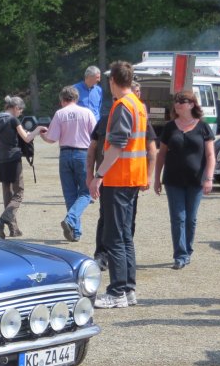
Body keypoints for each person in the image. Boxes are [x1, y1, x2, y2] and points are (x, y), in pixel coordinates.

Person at [89, 61, 148, 309]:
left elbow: (118, 145)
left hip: (118, 179)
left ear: (113, 81)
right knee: (124, 236)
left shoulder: (123, 105)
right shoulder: (138, 104)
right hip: (131, 178)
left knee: (114, 237)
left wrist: (98, 175)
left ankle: (117, 292)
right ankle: (128, 289)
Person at [87, 82, 157, 271]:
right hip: (113, 179)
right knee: (109, 224)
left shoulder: (133, 113)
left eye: (138, 92)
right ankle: (102, 257)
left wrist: (147, 176)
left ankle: (120, 288)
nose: (136, 95)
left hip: (122, 179)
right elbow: (93, 149)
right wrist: (91, 175)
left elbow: (150, 150)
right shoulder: (105, 119)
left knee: (120, 234)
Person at [153, 90, 215, 270]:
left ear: (192, 104)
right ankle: (180, 255)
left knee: (191, 218)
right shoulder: (170, 127)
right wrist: (157, 178)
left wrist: (209, 178)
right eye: (176, 101)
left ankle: (188, 250)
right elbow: (161, 155)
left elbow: (211, 155)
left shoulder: (203, 127)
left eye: (183, 100)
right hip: (173, 180)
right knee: (178, 217)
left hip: (196, 180)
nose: (178, 103)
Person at [40, 85, 97, 242]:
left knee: (70, 193)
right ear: (76, 98)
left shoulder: (60, 114)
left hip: (65, 154)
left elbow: (52, 138)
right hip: (83, 154)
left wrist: (42, 135)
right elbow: (95, 136)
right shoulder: (87, 113)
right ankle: (72, 221)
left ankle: (75, 231)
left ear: (62, 100)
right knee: (86, 192)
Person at [0, 95, 46, 239]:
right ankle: (1, 221)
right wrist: (38, 129)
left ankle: (13, 229)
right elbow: (27, 138)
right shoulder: (13, 120)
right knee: (19, 192)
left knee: (7, 194)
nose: (21, 112)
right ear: (15, 108)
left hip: (1, 159)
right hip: (13, 159)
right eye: (20, 110)